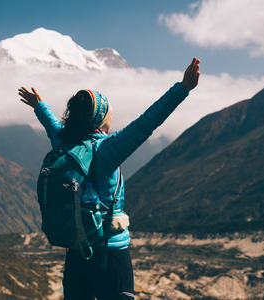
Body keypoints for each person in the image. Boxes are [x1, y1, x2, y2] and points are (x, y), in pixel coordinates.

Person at [18, 57, 200, 300]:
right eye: (110, 114)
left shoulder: (64, 142)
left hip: (76, 248)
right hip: (110, 253)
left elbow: (52, 125)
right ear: (101, 118)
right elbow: (148, 122)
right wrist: (183, 88)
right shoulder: (108, 149)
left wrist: (39, 105)